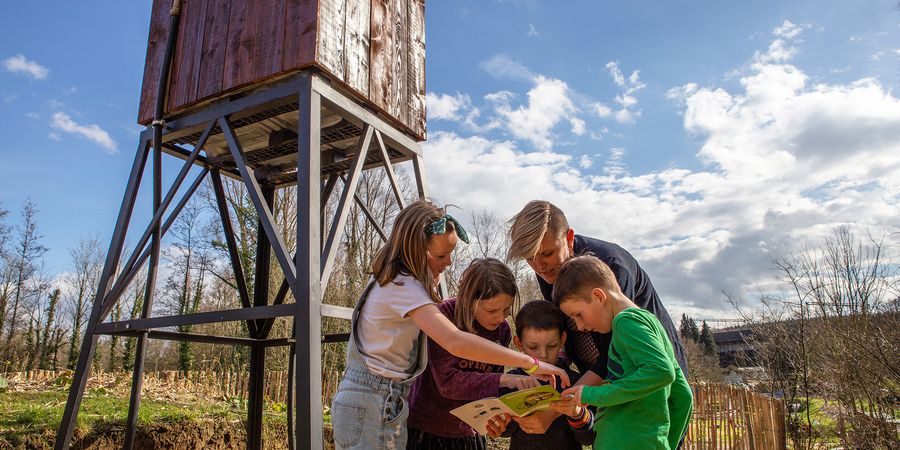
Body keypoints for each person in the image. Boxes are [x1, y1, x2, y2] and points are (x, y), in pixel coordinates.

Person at [330, 200, 570, 450]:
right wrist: (529, 364)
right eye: (441, 255)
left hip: (386, 400)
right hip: (375, 400)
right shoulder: (403, 288)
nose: (449, 263)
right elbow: (454, 341)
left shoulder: (402, 285)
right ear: (415, 249)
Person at [506, 200, 688, 435]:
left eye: (547, 254)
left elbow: (614, 355)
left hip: (648, 385)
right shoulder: (549, 272)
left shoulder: (609, 267)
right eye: (530, 258)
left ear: (569, 238)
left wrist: (554, 411)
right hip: (604, 388)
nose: (539, 266)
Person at [553, 256, 692, 449]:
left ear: (599, 296)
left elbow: (661, 371)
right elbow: (684, 396)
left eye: (578, 315)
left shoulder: (625, 322)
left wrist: (591, 394)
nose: (579, 326)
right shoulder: (651, 323)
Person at [406, 258, 540, 449]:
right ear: (468, 300)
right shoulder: (443, 316)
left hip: (468, 432)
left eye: (506, 310)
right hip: (427, 429)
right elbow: (448, 384)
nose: (500, 318)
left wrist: (495, 417)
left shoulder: (502, 331)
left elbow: (487, 390)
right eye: (492, 310)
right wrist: (504, 379)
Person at [498, 300, 595, 450]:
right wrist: (503, 423)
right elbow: (505, 432)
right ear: (519, 343)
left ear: (563, 339)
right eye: (533, 347)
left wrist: (577, 413)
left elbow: (588, 438)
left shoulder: (577, 382)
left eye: (552, 346)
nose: (543, 355)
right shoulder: (513, 382)